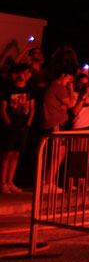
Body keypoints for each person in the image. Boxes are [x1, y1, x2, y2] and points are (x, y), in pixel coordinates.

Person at [2, 64, 36, 194]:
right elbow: (3, 109)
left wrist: (28, 124)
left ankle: (10, 181)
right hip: (11, 125)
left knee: (16, 154)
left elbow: (32, 108)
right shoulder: (8, 89)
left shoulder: (29, 90)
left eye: (28, 73)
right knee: (7, 154)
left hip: (24, 125)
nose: (25, 75)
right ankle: (3, 182)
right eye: (24, 72)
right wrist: (9, 124)